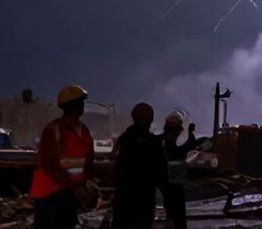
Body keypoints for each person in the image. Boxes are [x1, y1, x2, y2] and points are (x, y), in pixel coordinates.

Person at [30, 85, 97, 229]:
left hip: (70, 193)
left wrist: (86, 183)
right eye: (79, 102)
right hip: (50, 194)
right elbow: (49, 165)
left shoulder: (84, 131)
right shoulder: (53, 130)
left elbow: (88, 160)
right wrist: (74, 186)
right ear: (69, 106)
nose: (82, 106)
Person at [112, 102, 167, 229]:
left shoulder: (124, 139)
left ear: (133, 117)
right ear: (151, 119)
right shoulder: (154, 143)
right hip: (144, 200)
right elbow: (162, 174)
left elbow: (117, 170)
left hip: (123, 199)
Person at [160, 113, 201, 229]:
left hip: (167, 183)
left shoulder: (160, 142)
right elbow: (190, 150)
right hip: (175, 183)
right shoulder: (178, 144)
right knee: (177, 213)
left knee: (171, 210)